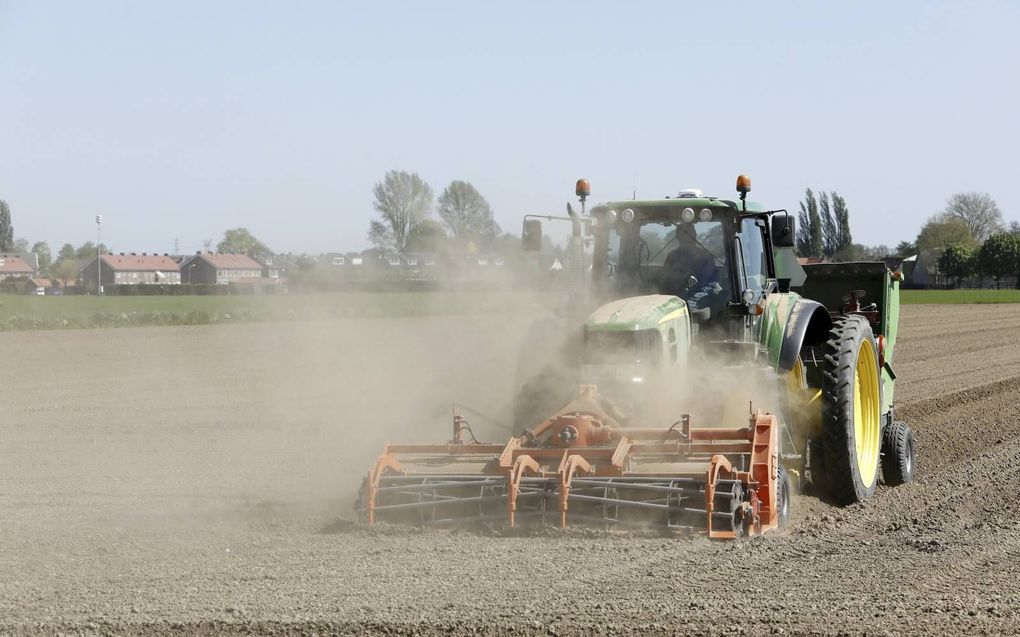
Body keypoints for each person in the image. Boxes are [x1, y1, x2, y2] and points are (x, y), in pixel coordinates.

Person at [661, 224, 726, 319]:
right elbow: (664, 278)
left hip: (700, 293)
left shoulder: (705, 256)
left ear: (695, 235)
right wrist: (679, 277)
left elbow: (706, 284)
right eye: (684, 233)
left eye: (690, 233)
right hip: (673, 294)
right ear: (678, 237)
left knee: (687, 310)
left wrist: (689, 282)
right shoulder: (672, 256)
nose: (688, 237)